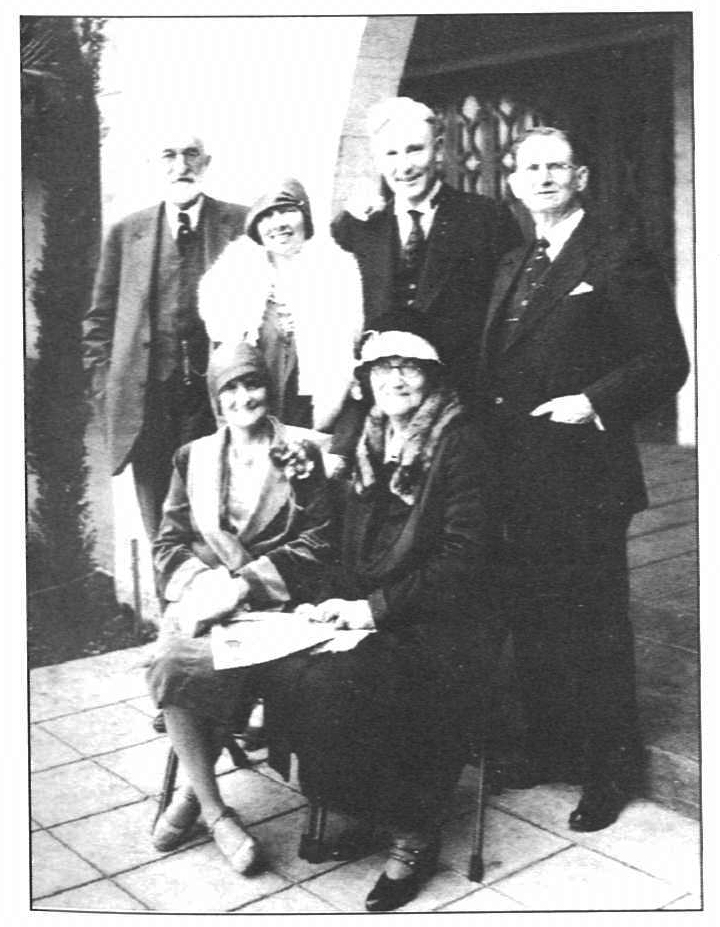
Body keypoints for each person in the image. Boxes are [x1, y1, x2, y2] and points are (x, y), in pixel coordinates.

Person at [148, 325, 503, 912]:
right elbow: (344, 539)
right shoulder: (370, 439)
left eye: (408, 367)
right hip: (375, 608)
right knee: (296, 678)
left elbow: (463, 561)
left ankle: (412, 831)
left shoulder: (459, 443)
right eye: (381, 368)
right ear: (365, 380)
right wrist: (331, 602)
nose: (394, 379)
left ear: (432, 378)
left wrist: (369, 609)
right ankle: (365, 805)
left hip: (443, 620)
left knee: (330, 688)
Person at [477, 126, 690, 831]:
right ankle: (547, 747)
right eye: (529, 167)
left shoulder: (616, 251)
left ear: (581, 176)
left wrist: (592, 401)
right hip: (518, 474)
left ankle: (609, 769)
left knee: (593, 624)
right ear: (511, 179)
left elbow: (666, 360)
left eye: (556, 166)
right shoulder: (514, 261)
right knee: (536, 615)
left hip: (585, 473)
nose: (542, 177)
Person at [147, 341, 334, 874]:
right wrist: (205, 587)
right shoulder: (195, 456)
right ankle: (216, 811)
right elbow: (168, 543)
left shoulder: (305, 448)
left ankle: (191, 790)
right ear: (215, 399)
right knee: (172, 660)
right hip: (208, 600)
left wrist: (244, 585)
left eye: (251, 383)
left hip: (282, 605)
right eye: (229, 387)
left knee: (214, 665)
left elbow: (322, 540)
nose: (243, 396)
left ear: (268, 388)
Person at [82, 129, 248, 540]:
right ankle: (169, 599)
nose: (181, 166)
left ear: (207, 163)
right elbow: (98, 323)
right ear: (154, 166)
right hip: (147, 405)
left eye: (192, 154)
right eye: (169, 155)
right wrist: (108, 390)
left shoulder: (241, 223)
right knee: (159, 523)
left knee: (217, 517)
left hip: (216, 404)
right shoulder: (127, 232)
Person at [330, 96, 521, 405]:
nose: (403, 166)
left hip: (463, 399)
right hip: (384, 401)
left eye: (415, 149)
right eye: (391, 153)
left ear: (439, 149)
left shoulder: (487, 219)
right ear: (377, 160)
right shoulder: (359, 228)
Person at [199, 177, 363, 434]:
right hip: (254, 414)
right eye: (266, 216)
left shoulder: (337, 277)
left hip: (314, 418)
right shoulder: (231, 284)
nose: (278, 223)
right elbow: (223, 370)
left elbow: (348, 365)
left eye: (287, 211)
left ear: (306, 217)